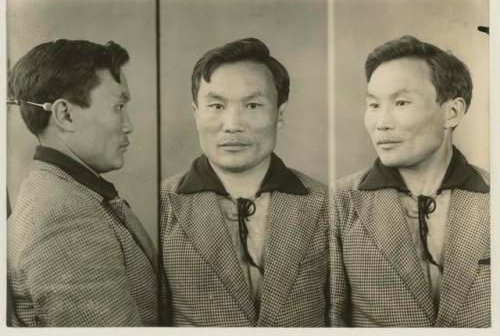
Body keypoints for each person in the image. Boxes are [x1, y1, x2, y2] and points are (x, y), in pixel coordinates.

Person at [160, 38, 330, 326]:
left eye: (252, 105)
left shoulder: (326, 203)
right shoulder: (160, 206)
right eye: (216, 106)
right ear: (195, 114)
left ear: (280, 114)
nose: (232, 124)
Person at [330, 35, 490, 327]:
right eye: (374, 105)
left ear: (452, 112)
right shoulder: (337, 202)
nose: (381, 122)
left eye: (401, 102)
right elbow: (329, 321)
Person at [7, 39, 158, 326]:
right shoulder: (63, 215)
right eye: (118, 106)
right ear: (65, 114)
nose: (129, 125)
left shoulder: (65, 194)